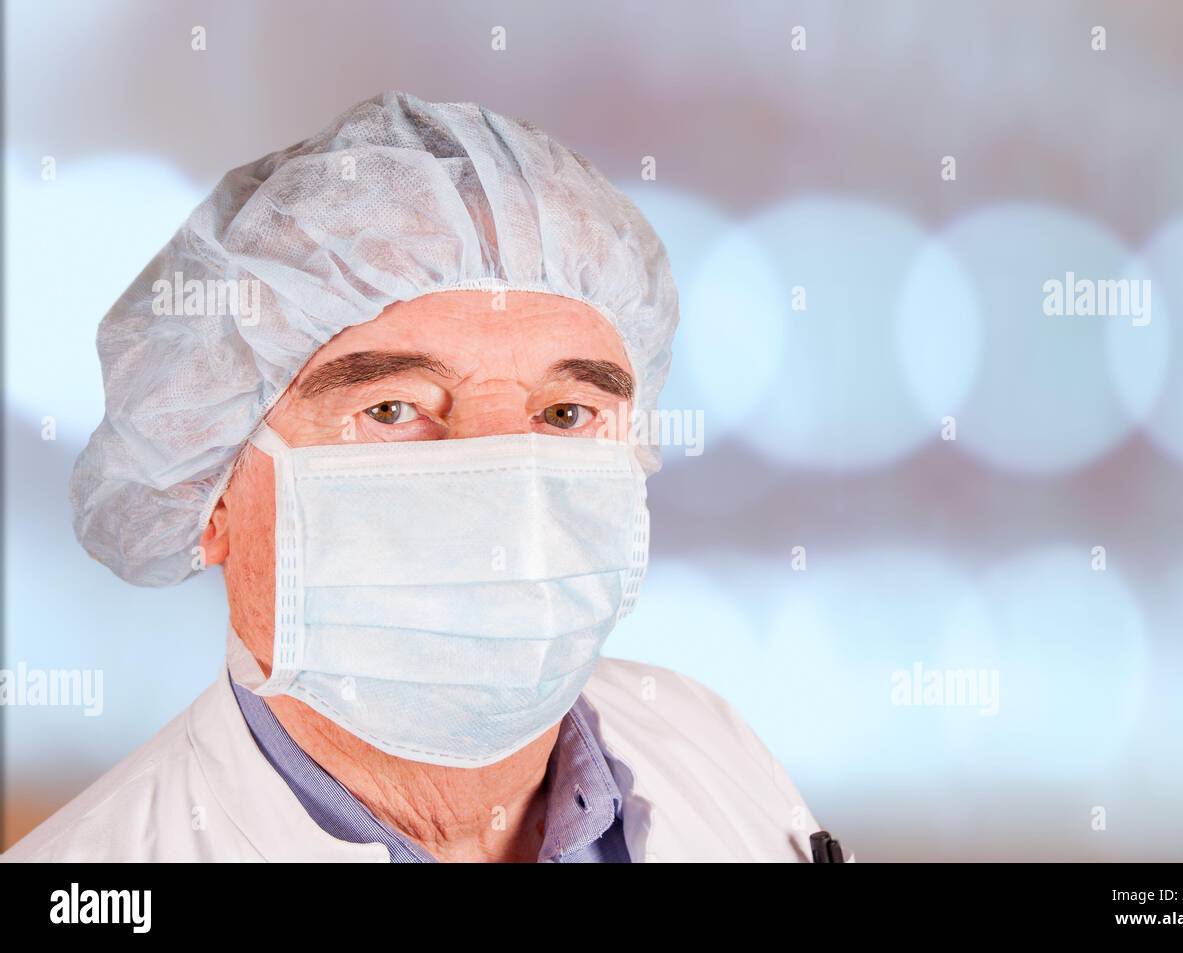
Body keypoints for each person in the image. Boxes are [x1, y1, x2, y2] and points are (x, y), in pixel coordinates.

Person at [2, 92, 827, 863]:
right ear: (211, 492)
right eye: (394, 409)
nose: (504, 496)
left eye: (566, 414)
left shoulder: (706, 745)